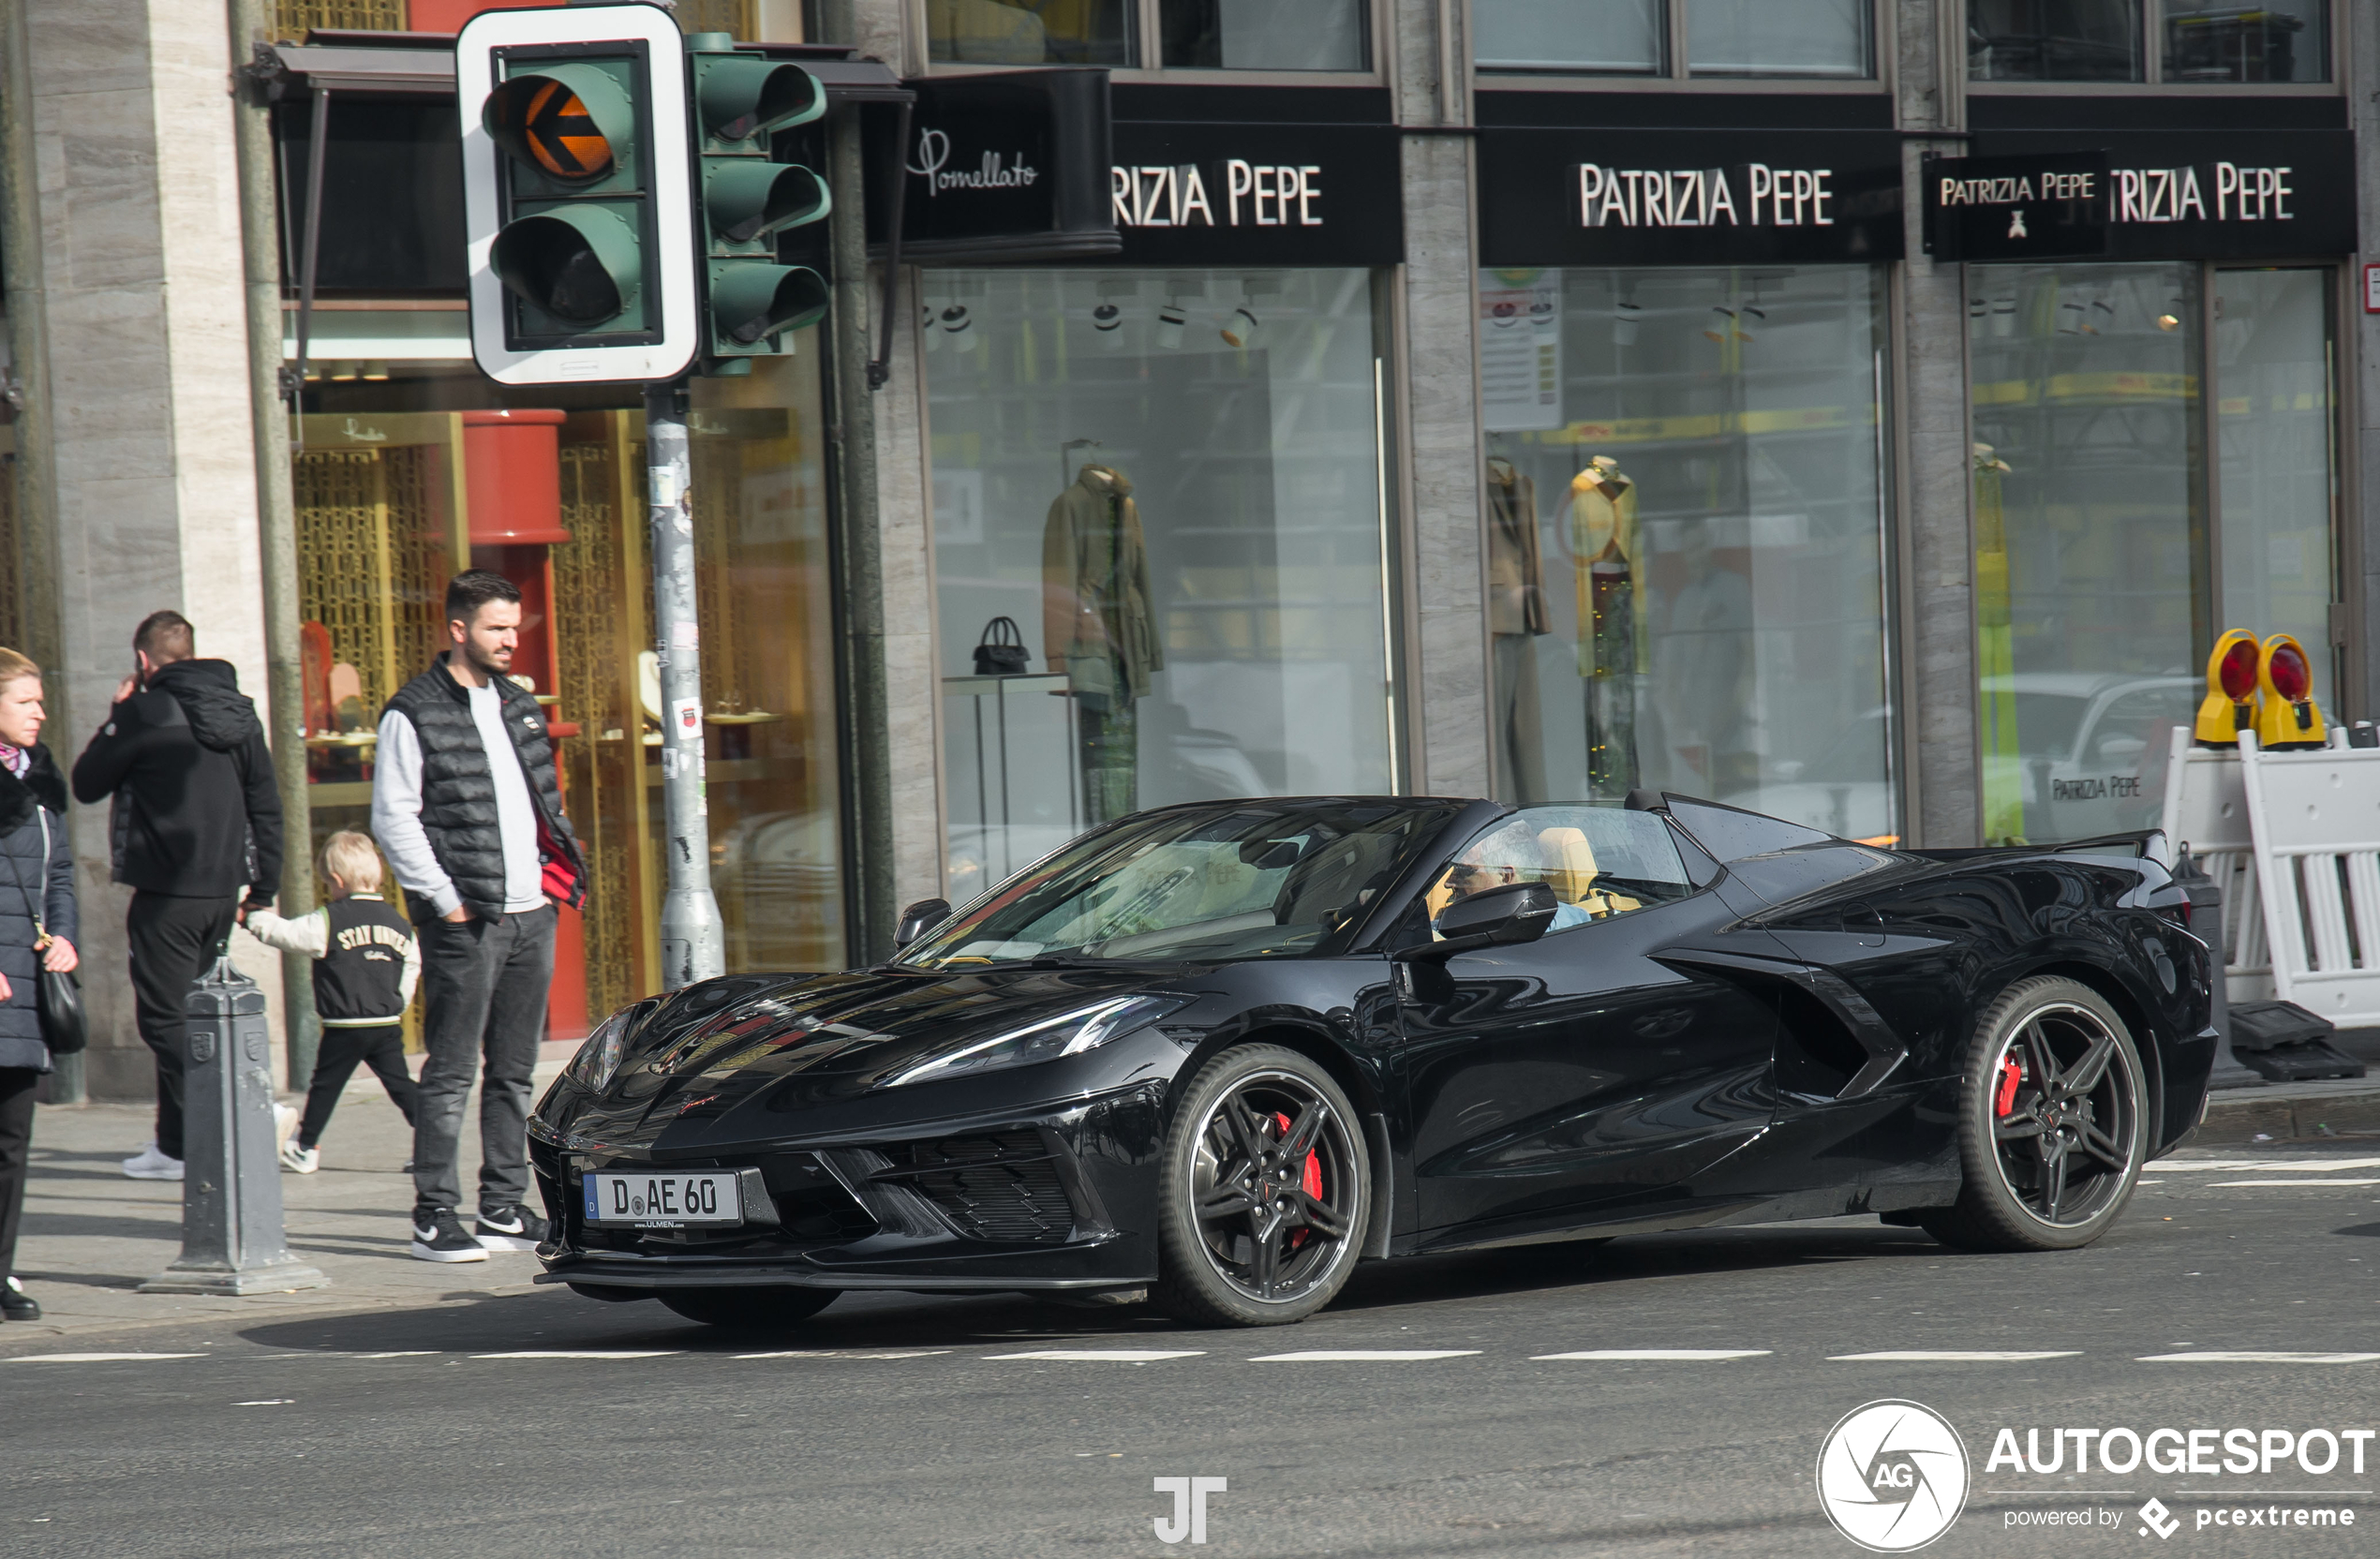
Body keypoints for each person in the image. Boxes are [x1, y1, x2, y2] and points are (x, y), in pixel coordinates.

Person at [373, 571, 584, 1263]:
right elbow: (394, 818)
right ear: (458, 629)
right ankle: (433, 1215)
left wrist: (554, 885)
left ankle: (501, 1206)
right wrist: (445, 899)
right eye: (497, 628)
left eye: (514, 628)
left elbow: (541, 805)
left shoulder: (519, 705)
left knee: (515, 1072)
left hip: (532, 914)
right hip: (467, 920)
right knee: (453, 1070)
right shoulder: (414, 712)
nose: (510, 641)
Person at [71, 611, 284, 1183]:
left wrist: (118, 714)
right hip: (221, 893)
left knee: (166, 1024)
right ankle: (175, 1145)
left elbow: (86, 783)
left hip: (165, 895)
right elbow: (266, 802)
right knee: (193, 1013)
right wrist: (262, 888)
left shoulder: (144, 711)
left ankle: (244, 1109)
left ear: (144, 661)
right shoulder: (239, 712)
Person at [242, 830, 421, 1174]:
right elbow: (412, 966)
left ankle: (306, 1147)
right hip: (385, 1024)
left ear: (337, 880)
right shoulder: (400, 924)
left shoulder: (329, 919)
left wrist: (254, 918)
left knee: (326, 1085)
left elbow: (288, 935)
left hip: (344, 1025)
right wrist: (398, 1003)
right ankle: (432, 1146)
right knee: (400, 1086)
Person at [0, 648, 77, 1321]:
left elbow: (61, 876)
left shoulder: (41, 781)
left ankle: (1, 1274)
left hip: (24, 983)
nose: (40, 713)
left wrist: (68, 936)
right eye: (26, 701)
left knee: (12, 1139)